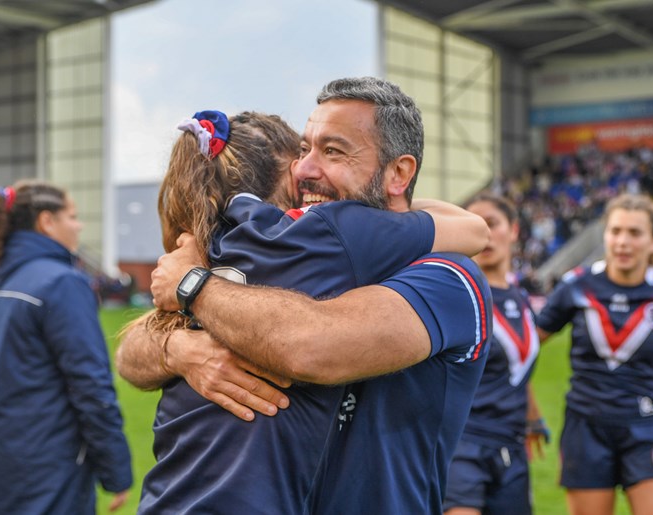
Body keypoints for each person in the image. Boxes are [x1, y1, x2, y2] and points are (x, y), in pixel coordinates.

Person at [126, 76, 492, 514]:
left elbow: (311, 345)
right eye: (304, 150)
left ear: (398, 173)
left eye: (333, 151)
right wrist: (178, 348)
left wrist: (194, 288)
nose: (304, 169)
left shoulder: (446, 276)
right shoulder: (298, 250)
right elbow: (131, 351)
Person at [536, 193, 653, 515]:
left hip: (650, 428)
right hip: (586, 429)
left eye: (634, 233)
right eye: (616, 231)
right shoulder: (575, 287)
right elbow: (521, 350)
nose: (623, 242)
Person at [0, 181, 132, 514]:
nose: (79, 225)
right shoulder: (61, 283)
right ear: (46, 222)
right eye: (71, 216)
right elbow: (91, 383)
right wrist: (116, 469)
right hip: (50, 469)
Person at [443, 193, 547, 515]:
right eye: (473, 225)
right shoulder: (452, 293)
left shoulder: (523, 299)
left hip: (512, 449)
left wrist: (533, 418)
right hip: (462, 445)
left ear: (514, 230)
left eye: (492, 223)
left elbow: (517, 370)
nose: (484, 233)